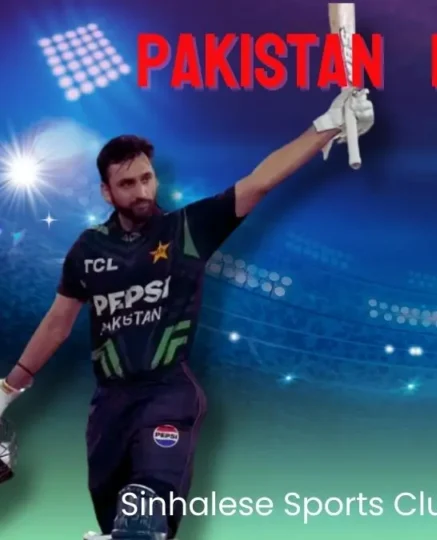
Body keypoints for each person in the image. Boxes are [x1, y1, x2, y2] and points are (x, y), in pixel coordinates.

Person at [0, 88, 374, 540]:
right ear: (106, 192)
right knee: (116, 526)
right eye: (127, 184)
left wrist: (326, 126)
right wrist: (7, 389)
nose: (141, 191)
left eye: (146, 178)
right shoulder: (88, 249)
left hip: (167, 395)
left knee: (142, 517)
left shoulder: (188, 229)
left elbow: (258, 182)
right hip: (108, 409)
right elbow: (58, 323)